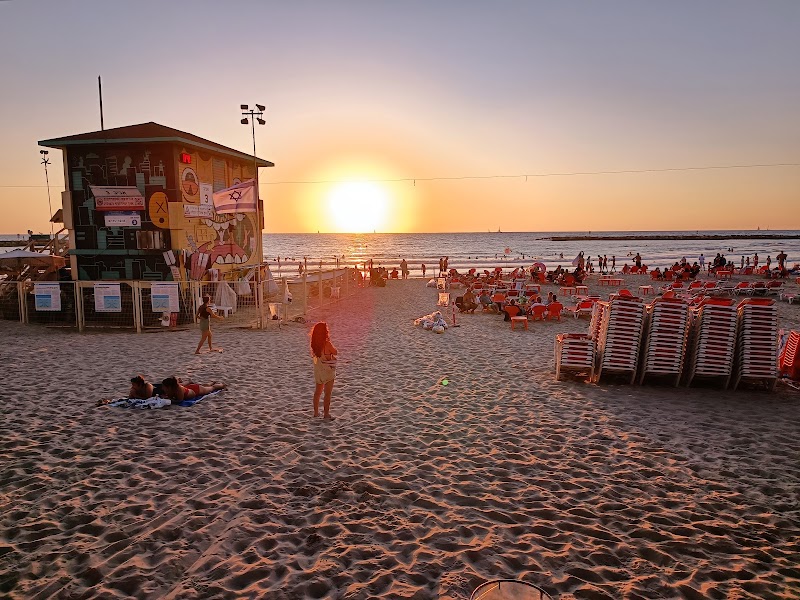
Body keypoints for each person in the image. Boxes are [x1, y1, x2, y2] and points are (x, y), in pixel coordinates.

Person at [310, 322, 337, 419]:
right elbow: (335, 352)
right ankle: (326, 414)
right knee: (327, 394)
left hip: (318, 371)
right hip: (328, 371)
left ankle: (316, 413)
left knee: (317, 392)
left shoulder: (314, 345)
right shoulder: (327, 344)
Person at [160, 377, 226, 403]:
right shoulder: (171, 389)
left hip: (197, 390)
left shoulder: (179, 390)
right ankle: (210, 383)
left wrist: (169, 399)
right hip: (190, 388)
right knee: (204, 386)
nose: (163, 388)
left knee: (212, 388)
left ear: (169, 387)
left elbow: (180, 400)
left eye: (164, 387)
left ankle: (222, 385)